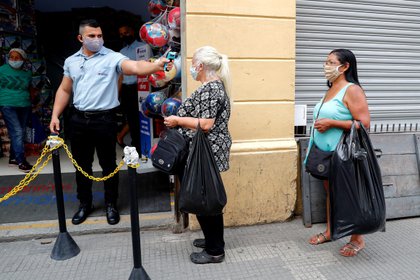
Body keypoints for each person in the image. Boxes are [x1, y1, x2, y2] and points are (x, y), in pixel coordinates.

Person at [49, 19, 171, 226]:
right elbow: (64, 89)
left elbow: (133, 67)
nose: (97, 39)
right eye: (91, 36)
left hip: (104, 120)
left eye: (99, 35)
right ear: (81, 38)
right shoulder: (71, 61)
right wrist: (55, 115)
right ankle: (84, 204)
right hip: (78, 120)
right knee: (81, 166)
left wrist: (155, 65)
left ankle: (110, 205)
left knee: (108, 165)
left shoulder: (112, 57)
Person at [164, 46, 232, 264]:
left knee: (205, 199)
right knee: (206, 197)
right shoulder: (214, 87)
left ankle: (214, 251)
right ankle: (212, 240)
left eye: (193, 63)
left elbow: (206, 124)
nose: (192, 67)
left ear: (201, 66)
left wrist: (177, 120)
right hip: (205, 151)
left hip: (204, 152)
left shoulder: (210, 89)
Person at [305, 49, 370, 257]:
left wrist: (332, 122)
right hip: (326, 155)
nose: (326, 65)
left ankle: (357, 238)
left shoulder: (352, 90)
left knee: (349, 195)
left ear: (345, 66)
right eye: (326, 61)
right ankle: (332, 230)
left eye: (331, 62)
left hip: (343, 155)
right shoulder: (332, 88)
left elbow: (365, 124)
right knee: (330, 193)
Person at [117, 24, 152, 151]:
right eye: (121, 34)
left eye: (125, 33)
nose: (123, 36)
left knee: (143, 117)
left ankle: (144, 147)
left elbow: (150, 68)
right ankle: (136, 146)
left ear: (132, 31)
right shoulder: (122, 52)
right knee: (131, 119)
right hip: (127, 89)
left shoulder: (143, 47)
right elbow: (120, 76)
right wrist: (117, 94)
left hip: (141, 87)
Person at [0, 48, 33, 172]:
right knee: (18, 131)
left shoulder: (27, 73)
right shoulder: (1, 70)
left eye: (17, 57)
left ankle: (13, 158)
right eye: (11, 57)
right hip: (7, 104)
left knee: (20, 131)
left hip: (24, 104)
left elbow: (29, 88)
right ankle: (21, 161)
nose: (14, 60)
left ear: (23, 60)